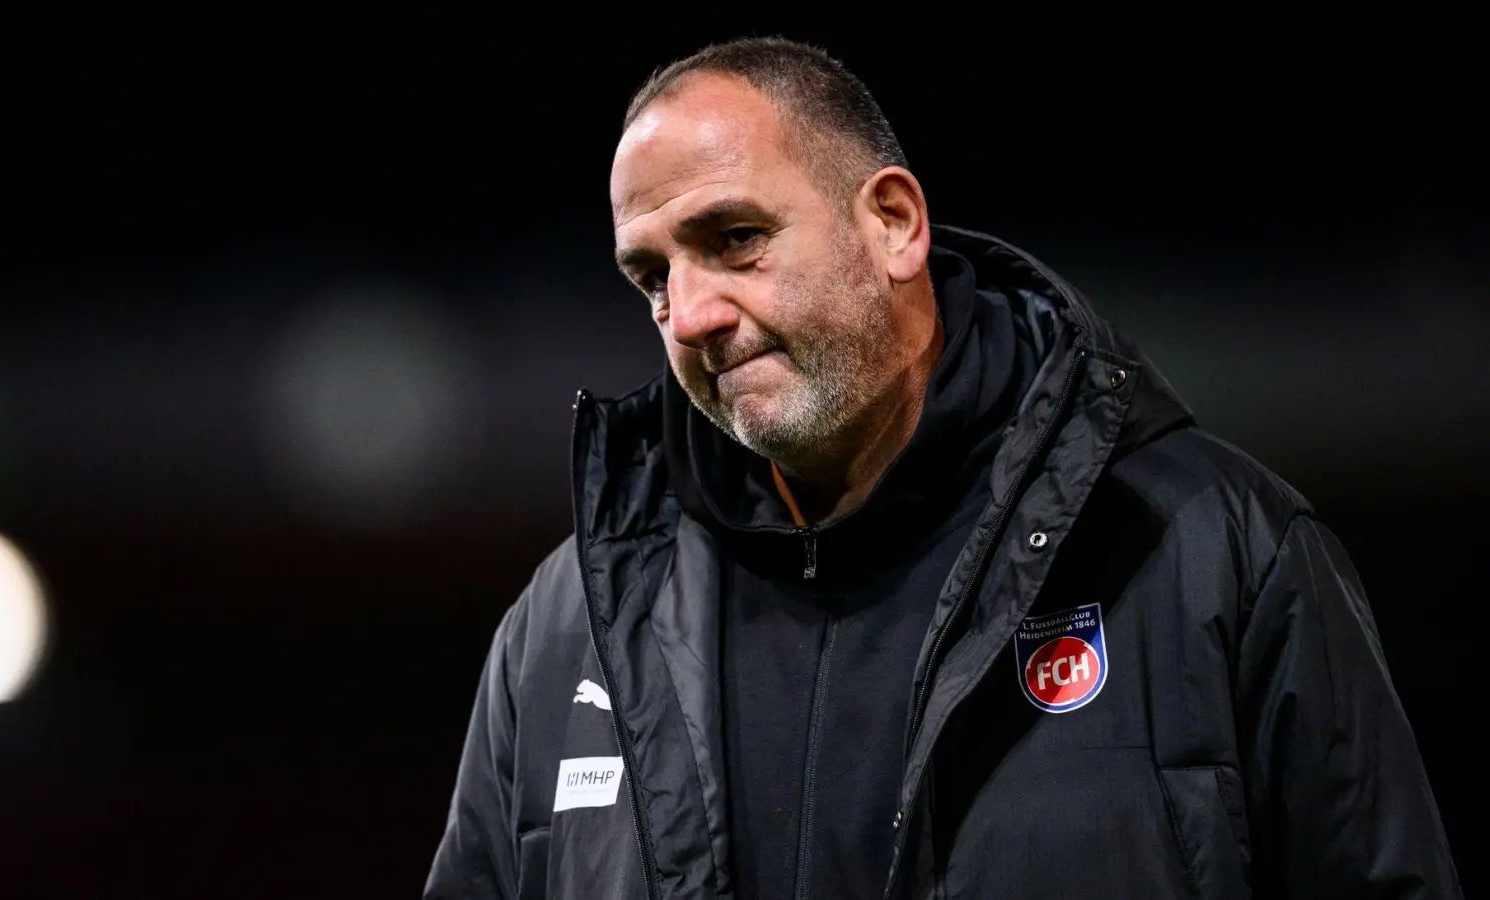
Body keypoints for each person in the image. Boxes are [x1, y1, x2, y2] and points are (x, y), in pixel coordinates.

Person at [424, 37, 1461, 900]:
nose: (688, 317)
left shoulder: (1209, 547)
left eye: (734, 239)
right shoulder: (566, 634)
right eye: (650, 276)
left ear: (893, 223)